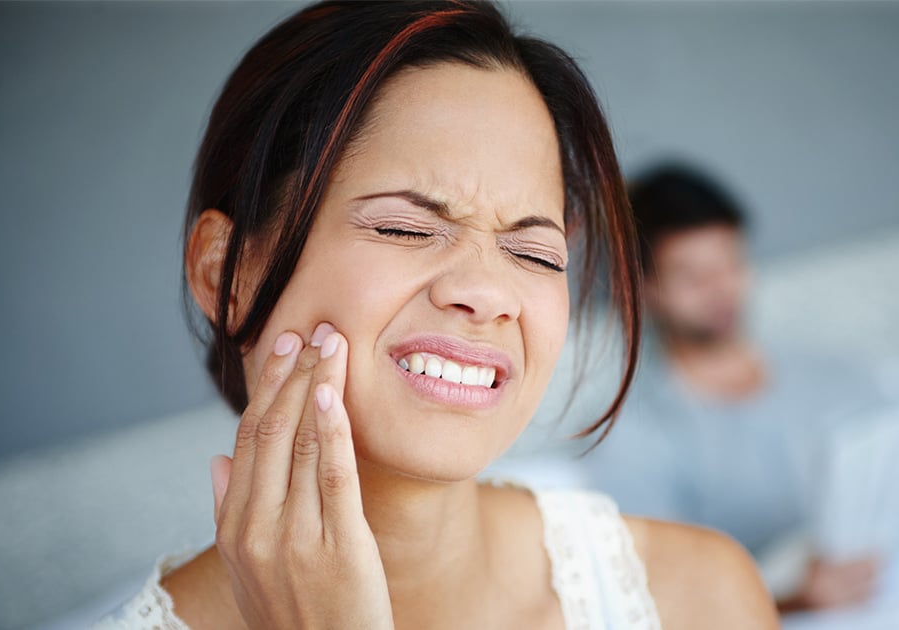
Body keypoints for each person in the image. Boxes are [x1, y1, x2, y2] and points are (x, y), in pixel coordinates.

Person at [96, 3, 777, 628]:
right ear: (227, 274)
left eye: (533, 252)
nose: (488, 292)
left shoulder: (699, 597)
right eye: (403, 228)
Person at [583, 164, 882, 612]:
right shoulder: (636, 434)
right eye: (693, 276)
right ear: (645, 288)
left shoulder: (837, 376)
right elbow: (661, 594)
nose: (721, 290)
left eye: (731, 264)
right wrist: (795, 601)